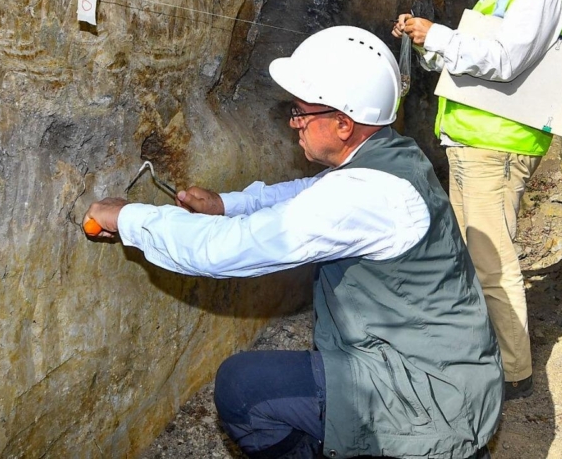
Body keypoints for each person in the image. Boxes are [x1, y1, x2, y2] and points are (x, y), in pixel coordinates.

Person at [84, 26, 502, 459]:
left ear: (343, 124)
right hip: (443, 375)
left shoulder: (367, 195)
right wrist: (225, 204)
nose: (293, 122)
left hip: (432, 397)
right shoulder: (390, 155)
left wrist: (128, 216)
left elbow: (226, 249)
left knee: (243, 391)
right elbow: (306, 193)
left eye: (301, 111)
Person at [392, 0, 562, 400]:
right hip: (474, 144)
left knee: (493, 263)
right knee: (476, 257)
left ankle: (514, 373)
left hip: (498, 147)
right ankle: (488, 350)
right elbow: (473, 64)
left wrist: (440, 36)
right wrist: (427, 45)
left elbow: (506, 61)